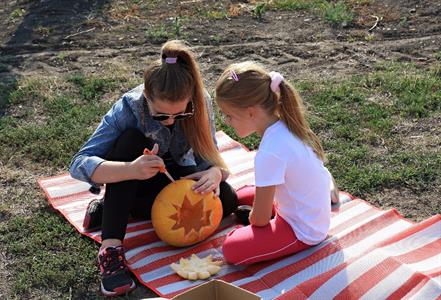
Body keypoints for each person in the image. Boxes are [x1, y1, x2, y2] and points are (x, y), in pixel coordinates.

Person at [69, 40, 238, 296]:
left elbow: (212, 158)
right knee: (130, 141)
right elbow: (79, 164)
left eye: (179, 115)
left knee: (227, 197)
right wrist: (131, 170)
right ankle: (111, 247)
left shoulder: (200, 103)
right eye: (161, 115)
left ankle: (117, 208)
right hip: (133, 178)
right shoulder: (129, 106)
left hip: (172, 178)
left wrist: (215, 173)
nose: (171, 121)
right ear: (147, 98)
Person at [215, 61, 337, 265]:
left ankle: (259, 232)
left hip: (303, 229)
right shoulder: (286, 125)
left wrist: (252, 221)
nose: (227, 122)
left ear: (251, 112)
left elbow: (259, 220)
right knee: (241, 196)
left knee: (231, 249)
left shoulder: (270, 152)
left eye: (229, 116)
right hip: (309, 208)